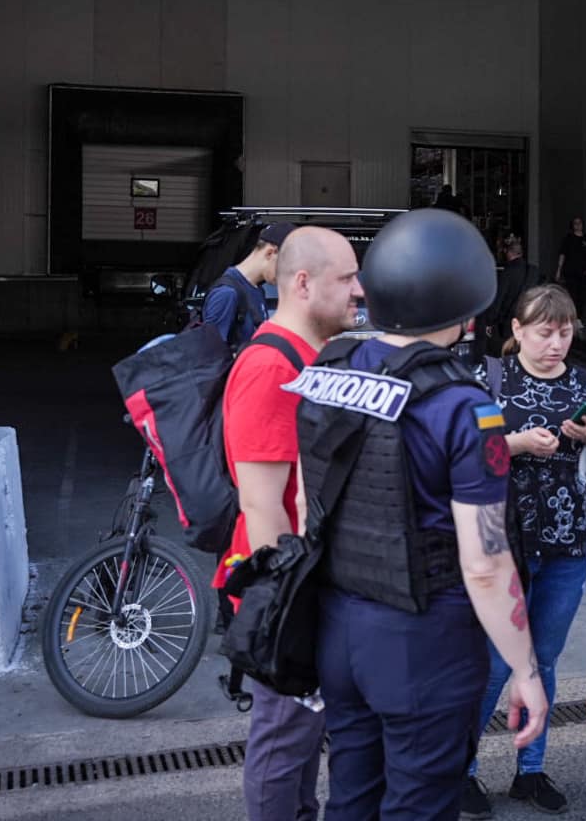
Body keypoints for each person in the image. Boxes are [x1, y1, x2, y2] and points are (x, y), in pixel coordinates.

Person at [297, 208, 547, 821]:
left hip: (338, 629)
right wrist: (526, 669)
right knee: (419, 805)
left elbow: (309, 504)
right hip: (423, 642)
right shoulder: (467, 409)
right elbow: (485, 563)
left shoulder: (327, 371)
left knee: (351, 797)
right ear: (465, 311)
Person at [214, 225, 364, 821]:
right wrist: (290, 610)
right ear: (302, 283)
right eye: (347, 278)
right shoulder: (270, 366)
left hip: (305, 583)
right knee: (282, 746)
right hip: (283, 592)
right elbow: (262, 502)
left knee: (302, 743)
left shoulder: (307, 359)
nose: (359, 291)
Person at [463, 283, 586, 818]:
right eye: (545, 332)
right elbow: (464, 453)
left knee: (543, 659)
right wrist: (519, 443)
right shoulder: (487, 381)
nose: (556, 343)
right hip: (504, 542)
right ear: (518, 331)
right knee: (498, 663)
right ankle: (463, 768)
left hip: (568, 544)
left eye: (565, 332)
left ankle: (530, 770)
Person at [202, 221, 294, 351]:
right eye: (287, 266)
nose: (287, 274)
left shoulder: (257, 290)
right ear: (270, 253)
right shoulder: (227, 293)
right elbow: (210, 355)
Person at [479, 235, 541, 359]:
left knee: (508, 354)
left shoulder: (507, 273)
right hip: (530, 318)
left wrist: (489, 322)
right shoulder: (534, 271)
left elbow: (499, 300)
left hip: (509, 324)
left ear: (508, 252)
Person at [554, 217, 586, 322]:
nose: (577, 225)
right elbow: (562, 254)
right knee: (572, 295)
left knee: (582, 296)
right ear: (572, 226)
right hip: (570, 272)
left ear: (582, 224)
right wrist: (559, 269)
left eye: (579, 223)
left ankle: (579, 318)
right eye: (575, 223)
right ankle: (572, 317)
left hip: (584, 273)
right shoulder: (568, 239)